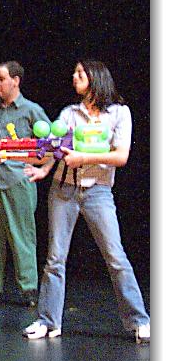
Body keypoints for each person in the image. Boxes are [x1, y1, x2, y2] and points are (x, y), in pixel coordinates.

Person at [22, 60, 150, 343]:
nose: (74, 77)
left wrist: (84, 157)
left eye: (80, 73)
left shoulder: (119, 113)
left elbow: (121, 156)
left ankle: (140, 320)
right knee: (55, 258)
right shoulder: (70, 113)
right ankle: (48, 321)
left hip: (98, 192)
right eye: (75, 72)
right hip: (63, 190)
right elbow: (56, 148)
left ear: (95, 78)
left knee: (115, 256)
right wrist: (40, 166)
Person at [0, 61, 50, 306]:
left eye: (2, 79)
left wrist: (41, 168)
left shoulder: (31, 110)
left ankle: (29, 289)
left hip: (17, 179)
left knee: (22, 235)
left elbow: (50, 145)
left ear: (15, 81)